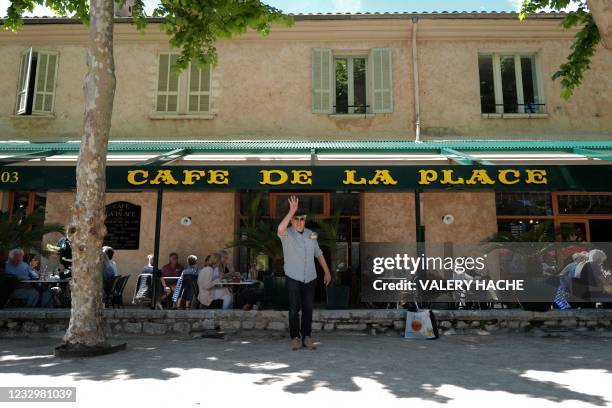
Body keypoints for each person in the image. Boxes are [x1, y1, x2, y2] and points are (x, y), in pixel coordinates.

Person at [277, 195, 331, 351]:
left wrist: (327, 272)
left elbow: (318, 253)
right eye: (296, 219)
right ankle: (295, 338)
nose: (299, 221)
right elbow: (280, 229)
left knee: (308, 308)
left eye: (302, 218)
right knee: (294, 309)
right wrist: (291, 211)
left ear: (305, 220)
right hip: (293, 276)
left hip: (311, 277)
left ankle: (306, 336)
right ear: (292, 220)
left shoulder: (311, 234)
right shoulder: (286, 234)